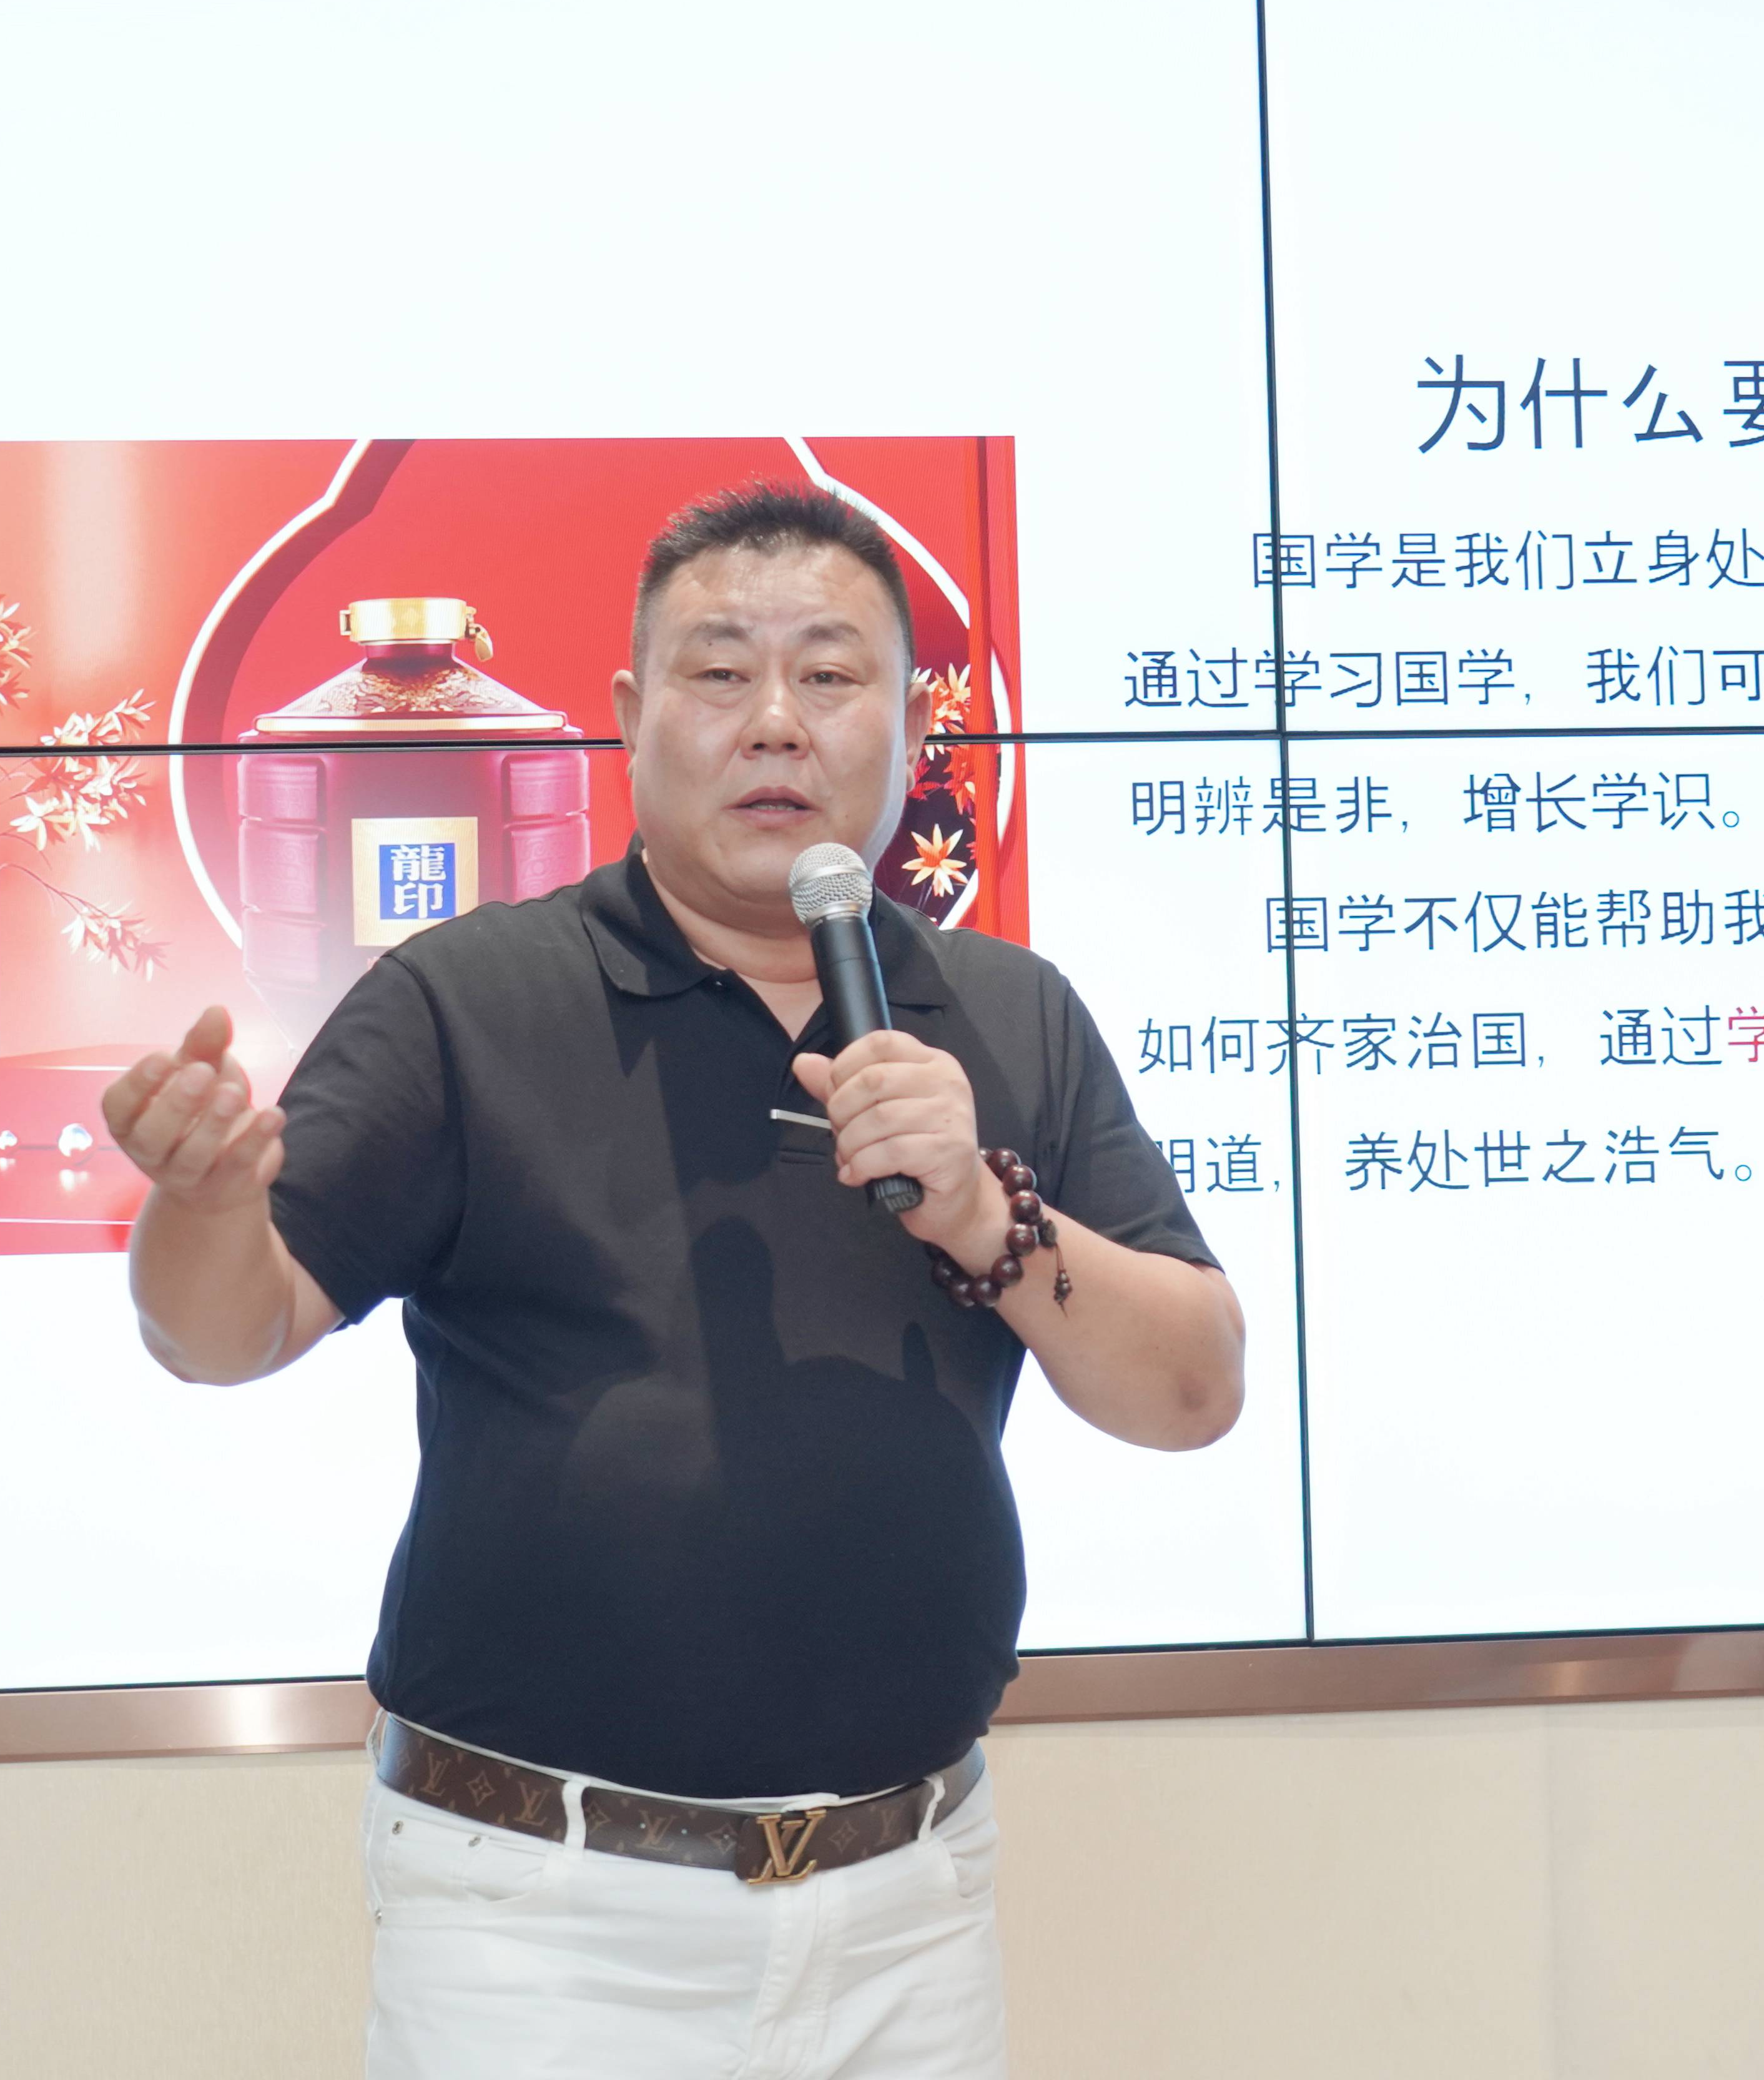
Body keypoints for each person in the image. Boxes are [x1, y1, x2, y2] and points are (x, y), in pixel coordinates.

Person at [101, 481, 1243, 2078]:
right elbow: (219, 1333)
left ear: (913, 726)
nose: (776, 721)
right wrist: (204, 1205)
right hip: (543, 1924)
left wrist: (987, 1214)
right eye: (720, 674)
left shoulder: (1006, 1010)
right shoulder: (467, 1001)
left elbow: (1193, 1388)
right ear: (632, 719)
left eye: (829, 675)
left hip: (907, 1909)